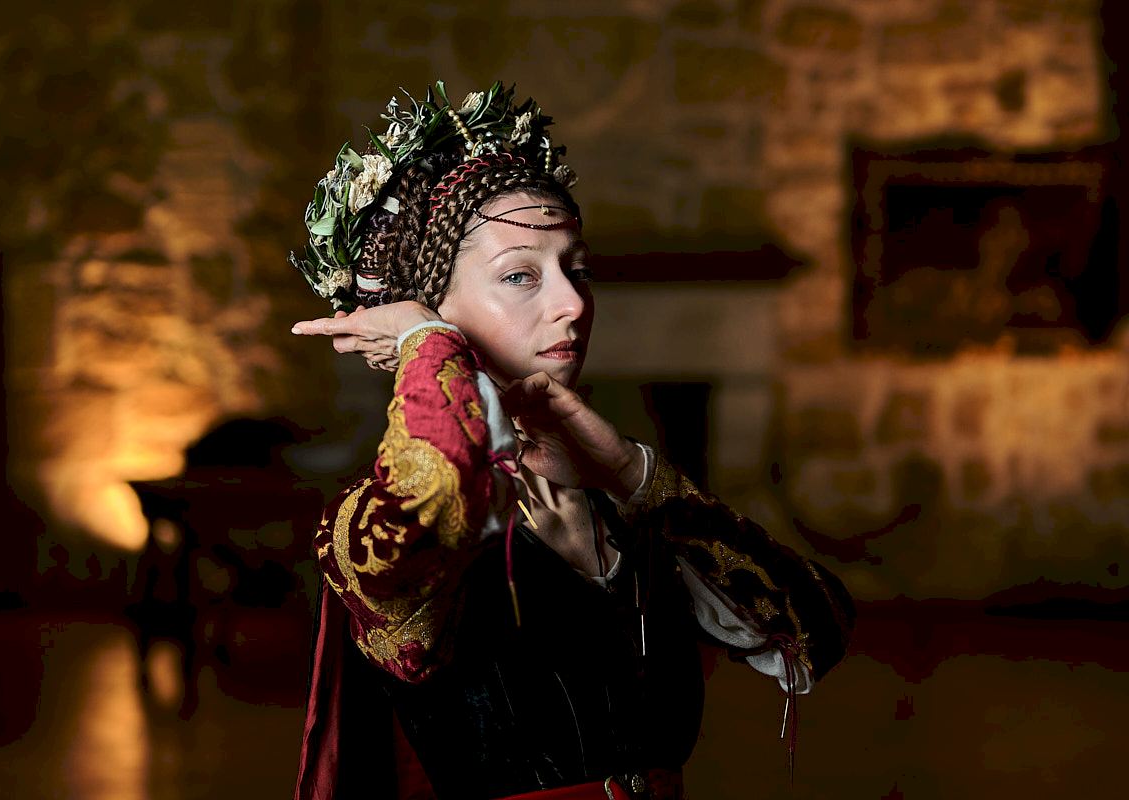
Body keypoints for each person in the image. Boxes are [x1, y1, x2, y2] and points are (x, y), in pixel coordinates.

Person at [288, 81, 854, 800]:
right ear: (427, 314)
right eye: (520, 275)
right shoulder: (370, 525)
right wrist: (421, 339)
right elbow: (441, 487)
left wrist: (627, 470)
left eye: (577, 270)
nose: (573, 303)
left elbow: (815, 632)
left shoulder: (627, 504)